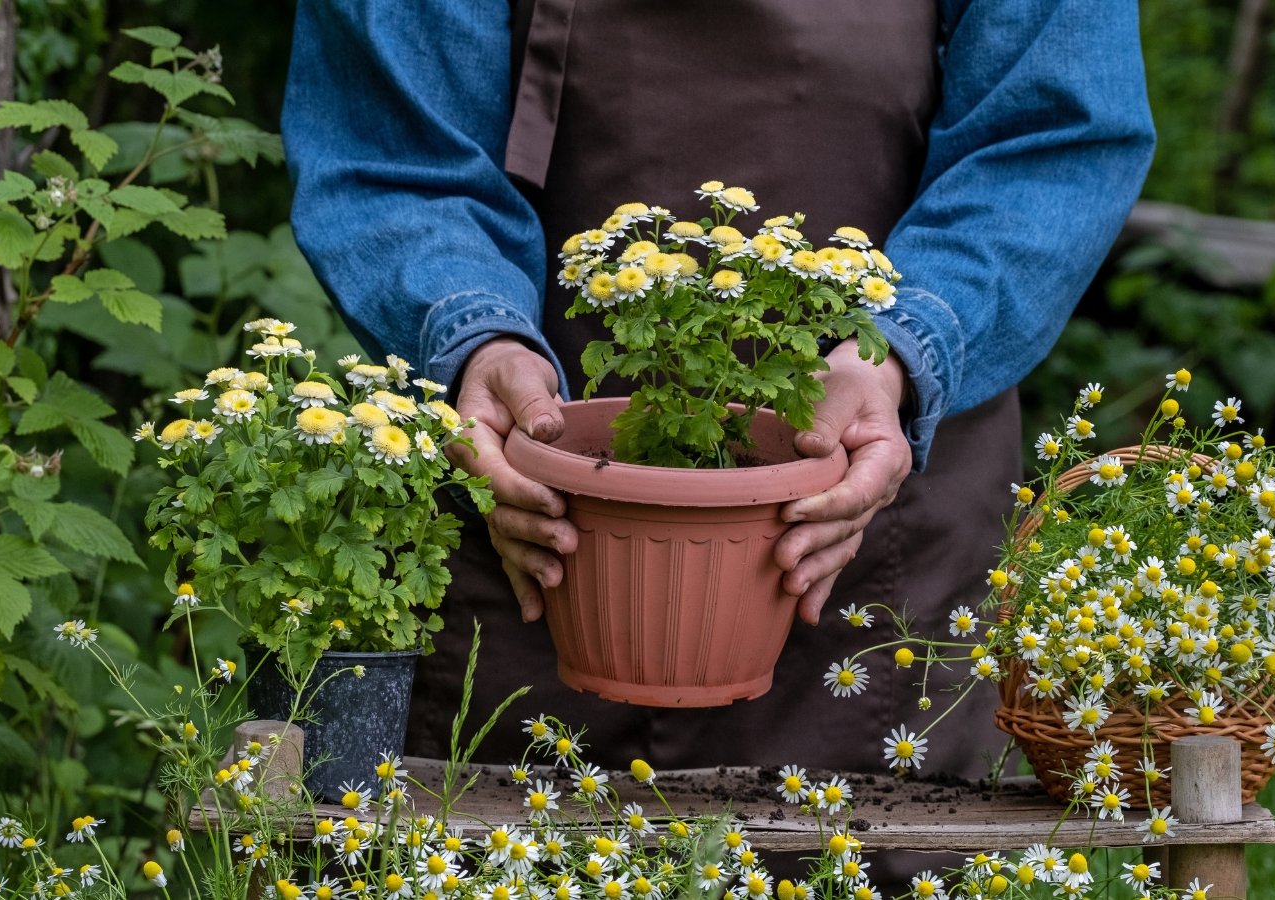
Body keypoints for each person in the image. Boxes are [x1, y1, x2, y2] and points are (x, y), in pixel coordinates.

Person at [282, 0, 1154, 777]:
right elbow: (395, 148)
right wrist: (474, 336)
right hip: (529, 502)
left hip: (869, 512)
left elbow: (1050, 136)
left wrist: (893, 347)